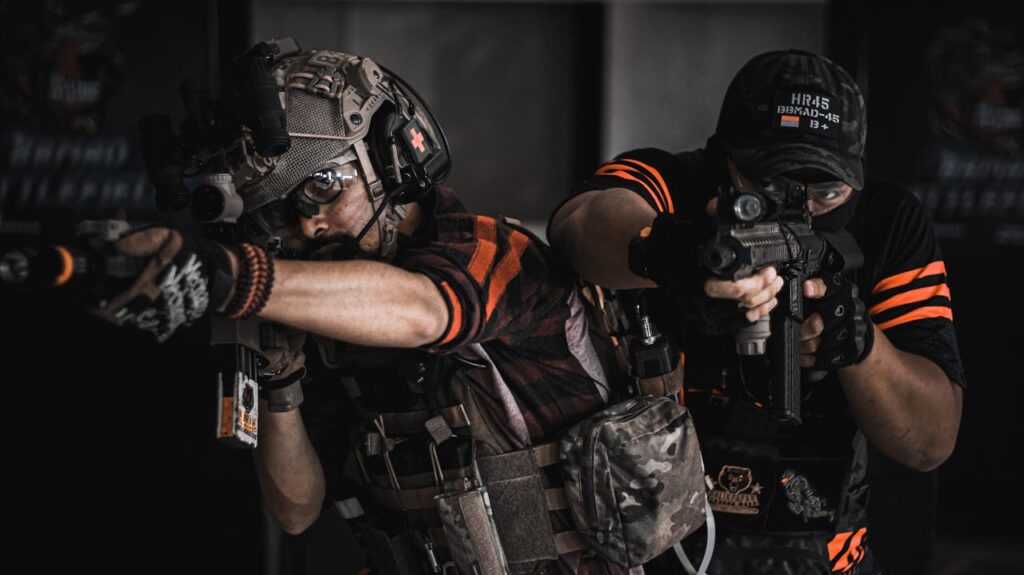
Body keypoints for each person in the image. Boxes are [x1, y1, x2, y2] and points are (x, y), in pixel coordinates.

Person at [91, 40, 631, 575]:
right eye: (278, 213)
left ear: (388, 158)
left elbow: (425, 310)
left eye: (322, 186)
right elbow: (296, 510)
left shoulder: (493, 252)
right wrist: (280, 384)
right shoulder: (322, 315)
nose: (307, 225)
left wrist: (235, 279)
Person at [547, 49, 966, 574]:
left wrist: (859, 345)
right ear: (724, 156)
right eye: (767, 186)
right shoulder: (674, 181)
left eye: (827, 192)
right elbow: (578, 225)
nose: (799, 208)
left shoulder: (887, 220)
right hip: (654, 549)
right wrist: (677, 253)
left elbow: (930, 441)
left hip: (825, 555)